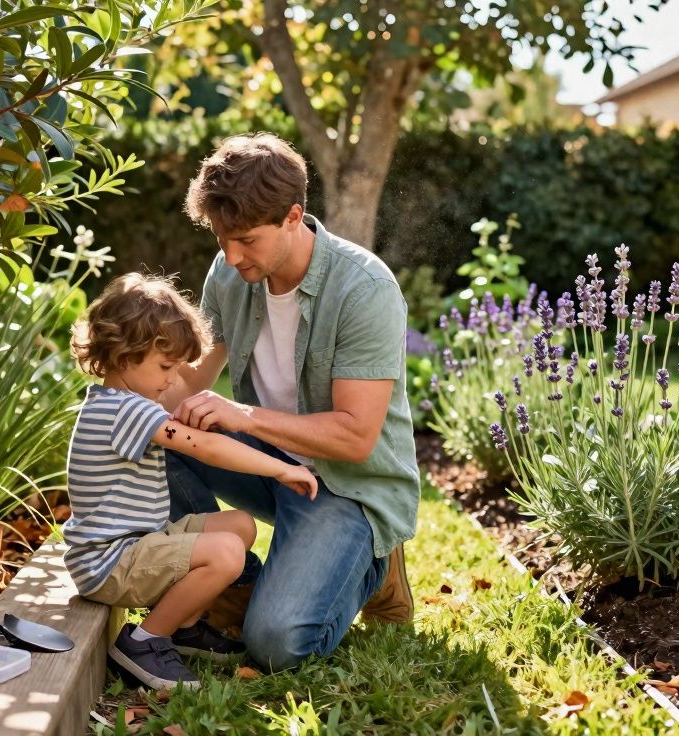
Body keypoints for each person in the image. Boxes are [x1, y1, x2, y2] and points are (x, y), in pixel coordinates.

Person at [158, 132, 420, 672]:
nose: (231, 257)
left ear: (293, 216)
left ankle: (376, 562)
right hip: (271, 464)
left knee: (277, 645)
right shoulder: (230, 273)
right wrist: (119, 403)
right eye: (220, 238)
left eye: (247, 240)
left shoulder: (364, 289)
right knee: (153, 438)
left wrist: (243, 414)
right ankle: (232, 580)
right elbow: (191, 379)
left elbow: (355, 436)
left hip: (349, 485)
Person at [63, 272, 320, 690]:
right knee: (225, 555)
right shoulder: (128, 410)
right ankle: (145, 642)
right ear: (126, 356)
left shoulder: (121, 402)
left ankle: (183, 626)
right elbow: (207, 447)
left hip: (133, 545)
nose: (172, 379)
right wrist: (281, 468)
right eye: (166, 366)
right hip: (108, 564)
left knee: (239, 526)